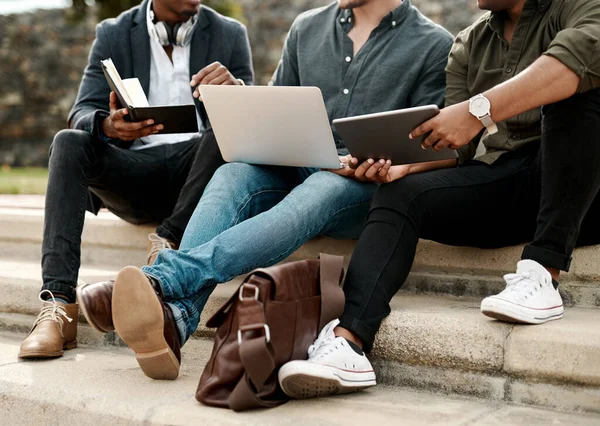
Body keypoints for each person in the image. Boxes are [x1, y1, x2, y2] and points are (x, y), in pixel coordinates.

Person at [76, 0, 453, 380]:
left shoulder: (433, 44)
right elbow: (276, 110)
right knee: (233, 173)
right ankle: (176, 320)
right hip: (296, 162)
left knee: (322, 186)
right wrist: (237, 93)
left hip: (362, 184)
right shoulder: (307, 27)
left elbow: (433, 145)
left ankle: (161, 279)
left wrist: (385, 163)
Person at [278, 0, 600, 399]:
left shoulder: (582, 7)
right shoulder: (469, 42)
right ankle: (348, 341)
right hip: (511, 180)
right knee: (401, 194)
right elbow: (457, 145)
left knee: (577, 87)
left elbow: (576, 61)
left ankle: (542, 272)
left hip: (586, 190)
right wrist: (402, 167)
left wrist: (477, 109)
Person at [18, 0, 254, 359]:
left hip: (198, 177)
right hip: (133, 168)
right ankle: (58, 306)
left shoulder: (230, 34)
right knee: (68, 143)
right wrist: (108, 125)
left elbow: (254, 124)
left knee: (227, 129)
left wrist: (236, 91)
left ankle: (167, 244)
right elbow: (80, 111)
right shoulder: (113, 33)